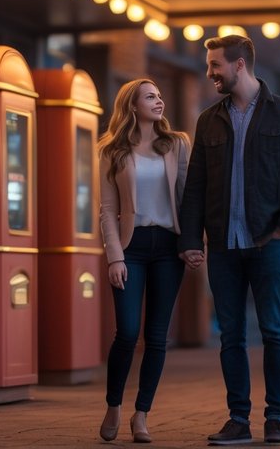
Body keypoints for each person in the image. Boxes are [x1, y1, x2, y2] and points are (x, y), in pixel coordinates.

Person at [179, 34, 280, 446]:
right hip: (222, 245)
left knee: (274, 330)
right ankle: (238, 419)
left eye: (215, 65)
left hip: (268, 244)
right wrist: (191, 238)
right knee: (231, 335)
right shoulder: (208, 121)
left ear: (240, 64)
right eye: (209, 66)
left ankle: (276, 419)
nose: (210, 73)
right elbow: (196, 186)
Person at [98, 78, 193, 444]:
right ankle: (113, 405)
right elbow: (107, 210)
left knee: (157, 337)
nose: (159, 101)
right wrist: (114, 257)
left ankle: (142, 415)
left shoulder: (177, 145)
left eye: (160, 95)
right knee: (127, 331)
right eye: (150, 97)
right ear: (132, 106)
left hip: (168, 248)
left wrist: (191, 244)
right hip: (131, 247)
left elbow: (187, 198)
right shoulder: (112, 150)